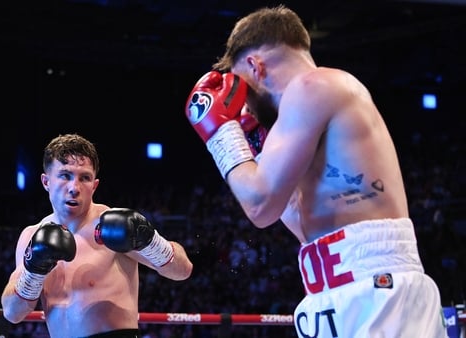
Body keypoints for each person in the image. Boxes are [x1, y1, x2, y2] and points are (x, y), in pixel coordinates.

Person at [184, 4, 448, 338]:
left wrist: (221, 134)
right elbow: (289, 216)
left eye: (243, 90)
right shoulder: (301, 118)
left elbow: (259, 206)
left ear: (255, 65)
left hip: (376, 288)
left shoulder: (314, 85)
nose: (244, 106)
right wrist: (255, 145)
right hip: (334, 289)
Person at [1, 133, 193, 338]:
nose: (74, 188)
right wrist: (34, 271)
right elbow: (13, 313)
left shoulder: (114, 226)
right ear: (46, 181)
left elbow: (182, 271)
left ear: (94, 185)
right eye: (65, 175)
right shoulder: (31, 235)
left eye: (84, 178)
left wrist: (151, 241)